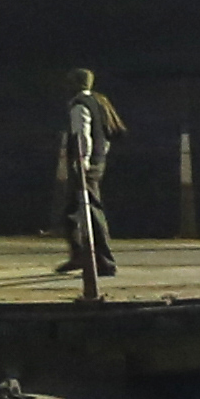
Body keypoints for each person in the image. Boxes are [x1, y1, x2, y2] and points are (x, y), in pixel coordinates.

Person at [54, 68, 130, 280]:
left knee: (91, 210)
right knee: (71, 210)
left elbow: (82, 135)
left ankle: (105, 261)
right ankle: (78, 254)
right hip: (98, 161)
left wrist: (83, 162)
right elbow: (106, 133)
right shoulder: (100, 101)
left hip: (85, 165)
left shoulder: (79, 106)